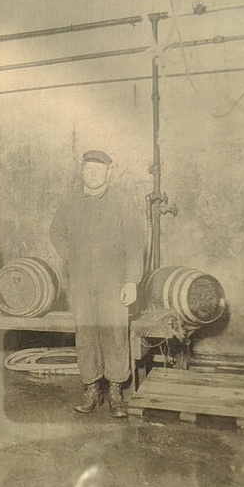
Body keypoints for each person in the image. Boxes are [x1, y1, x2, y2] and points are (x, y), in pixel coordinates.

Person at [50, 150, 144, 417]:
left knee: (114, 333)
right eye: (88, 168)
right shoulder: (71, 200)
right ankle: (91, 389)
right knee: (86, 333)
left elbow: (136, 243)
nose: (92, 173)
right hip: (81, 282)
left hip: (113, 281)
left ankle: (115, 391)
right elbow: (56, 231)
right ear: (82, 171)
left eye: (98, 169)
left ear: (108, 172)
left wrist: (131, 281)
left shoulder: (122, 201)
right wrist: (72, 255)